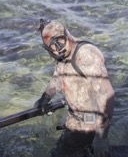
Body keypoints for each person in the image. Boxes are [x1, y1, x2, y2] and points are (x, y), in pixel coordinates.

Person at [35, 19, 115, 157]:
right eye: (53, 48)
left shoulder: (86, 55)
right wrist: (45, 98)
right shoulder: (63, 54)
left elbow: (106, 94)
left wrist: (101, 137)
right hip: (74, 119)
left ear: (67, 34)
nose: (59, 49)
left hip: (91, 123)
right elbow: (59, 76)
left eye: (60, 41)